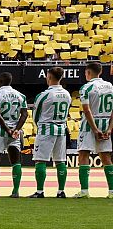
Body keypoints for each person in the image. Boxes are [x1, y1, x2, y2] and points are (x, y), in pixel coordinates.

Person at [0, 72, 29, 198]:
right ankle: (15, 191)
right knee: (16, 161)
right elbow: (25, 114)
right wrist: (16, 129)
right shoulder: (20, 95)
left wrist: (6, 128)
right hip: (15, 132)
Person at [31, 66, 73, 198]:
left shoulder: (43, 95)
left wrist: (40, 125)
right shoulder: (67, 94)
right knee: (60, 160)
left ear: (49, 77)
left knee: (40, 160)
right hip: (61, 129)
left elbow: (35, 116)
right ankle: (61, 191)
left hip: (46, 129)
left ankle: (39, 191)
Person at [74, 60, 112, 198]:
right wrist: (109, 129)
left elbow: (86, 110)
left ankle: (84, 191)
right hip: (106, 122)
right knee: (106, 156)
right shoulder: (110, 86)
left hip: (90, 125)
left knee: (83, 155)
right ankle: (111, 191)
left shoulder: (86, 88)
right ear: (100, 71)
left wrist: (95, 130)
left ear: (88, 72)